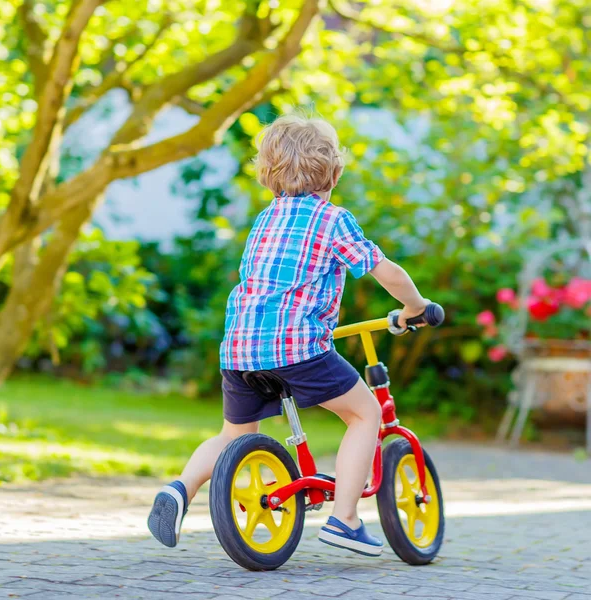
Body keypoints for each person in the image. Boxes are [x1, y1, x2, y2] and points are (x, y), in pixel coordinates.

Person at [148, 113, 428, 557]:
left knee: (231, 437)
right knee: (365, 415)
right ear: (335, 174)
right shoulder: (333, 220)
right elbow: (386, 272)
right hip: (296, 347)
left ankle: (180, 488)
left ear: (267, 174)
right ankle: (346, 520)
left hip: (239, 350)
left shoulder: (264, 220)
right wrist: (415, 307)